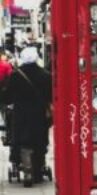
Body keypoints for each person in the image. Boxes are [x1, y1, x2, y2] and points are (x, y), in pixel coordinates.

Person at [1, 47, 52, 186]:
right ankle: (38, 168)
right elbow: (51, 96)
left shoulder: (16, 75)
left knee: (23, 140)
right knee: (39, 140)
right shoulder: (45, 75)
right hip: (39, 115)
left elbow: (8, 97)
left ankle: (26, 167)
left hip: (21, 114)